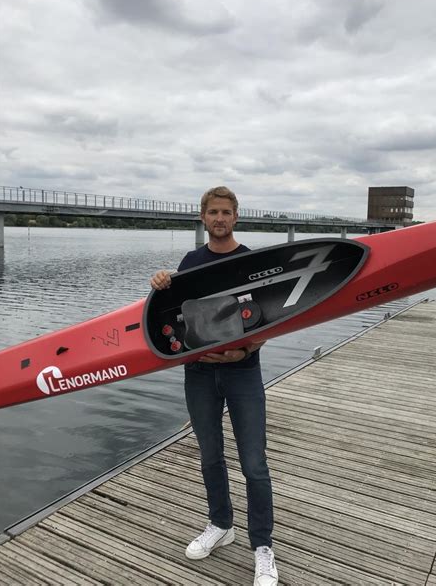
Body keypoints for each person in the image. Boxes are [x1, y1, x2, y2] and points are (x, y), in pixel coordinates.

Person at [151, 186, 278, 586]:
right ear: (202, 217)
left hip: (244, 371)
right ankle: (221, 525)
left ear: (236, 216)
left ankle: (262, 546)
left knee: (254, 464)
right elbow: (172, 317)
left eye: (226, 212)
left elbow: (270, 317)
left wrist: (246, 351)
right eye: (213, 212)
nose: (220, 219)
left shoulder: (250, 261)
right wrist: (158, 283)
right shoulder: (190, 262)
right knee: (210, 456)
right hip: (200, 373)